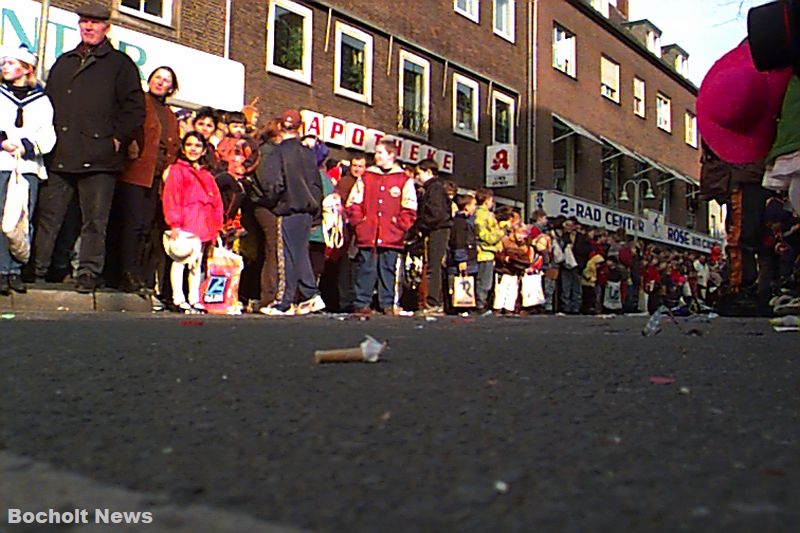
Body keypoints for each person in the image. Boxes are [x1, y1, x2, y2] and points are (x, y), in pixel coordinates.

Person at [33, 4, 145, 293]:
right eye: (84, 22)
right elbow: (47, 103)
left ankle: (88, 273)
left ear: (107, 27)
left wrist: (116, 139)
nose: (88, 27)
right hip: (61, 152)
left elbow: (134, 109)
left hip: (100, 156)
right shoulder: (64, 62)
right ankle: (39, 270)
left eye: (95, 23)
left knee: (95, 221)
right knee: (49, 216)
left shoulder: (120, 64)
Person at [114, 66, 180, 294]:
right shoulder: (140, 102)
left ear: (172, 87)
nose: (160, 83)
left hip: (157, 177)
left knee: (144, 227)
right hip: (136, 172)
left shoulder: (170, 114)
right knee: (131, 226)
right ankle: (126, 274)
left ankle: (138, 274)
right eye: (157, 78)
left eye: (166, 80)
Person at [256, 109, 324, 316]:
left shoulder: (277, 152)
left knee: (286, 255)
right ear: (299, 127)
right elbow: (316, 184)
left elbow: (273, 184)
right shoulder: (307, 153)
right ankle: (310, 295)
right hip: (306, 208)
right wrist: (316, 213)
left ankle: (285, 301)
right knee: (300, 253)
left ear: (280, 127)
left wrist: (270, 202)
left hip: (288, 207)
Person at [0, 45, 56, 295]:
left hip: (27, 168)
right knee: (2, 218)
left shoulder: (41, 101)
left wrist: (26, 146)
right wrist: (3, 141)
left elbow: (47, 133)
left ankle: (16, 269)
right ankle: (2, 270)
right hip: (2, 163)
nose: (4, 67)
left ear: (26, 69)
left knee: (22, 220)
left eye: (10, 63)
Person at [347, 139, 417, 315]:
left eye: (380, 153)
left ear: (391, 155)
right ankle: (362, 302)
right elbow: (354, 201)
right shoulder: (366, 177)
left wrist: (400, 225)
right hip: (368, 232)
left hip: (391, 235)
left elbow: (409, 206)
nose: (376, 156)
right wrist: (359, 221)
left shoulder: (403, 180)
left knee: (388, 269)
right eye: (376, 152)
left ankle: (387, 303)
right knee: (366, 269)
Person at [161, 132, 223, 313]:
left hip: (203, 223)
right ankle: (178, 298)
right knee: (180, 260)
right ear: (183, 148)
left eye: (197, 146)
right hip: (185, 223)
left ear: (204, 150)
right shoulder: (177, 171)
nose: (193, 149)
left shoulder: (206, 175)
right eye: (189, 145)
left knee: (197, 263)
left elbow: (216, 202)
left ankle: (194, 298)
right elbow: (172, 198)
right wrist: (174, 223)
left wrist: (216, 226)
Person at [415, 158, 452, 314]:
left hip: (437, 229)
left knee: (433, 266)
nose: (417, 177)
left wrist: (421, 224)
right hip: (438, 228)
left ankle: (433, 302)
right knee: (434, 266)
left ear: (428, 172)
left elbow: (436, 213)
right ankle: (435, 301)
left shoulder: (434, 188)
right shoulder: (435, 188)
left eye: (419, 173)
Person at [474, 188, 505, 312]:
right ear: (487, 200)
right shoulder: (483, 215)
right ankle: (480, 305)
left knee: (484, 280)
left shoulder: (482, 214)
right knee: (484, 281)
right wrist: (500, 233)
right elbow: (485, 235)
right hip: (485, 251)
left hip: (488, 251)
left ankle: (481, 303)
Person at [446, 194, 478, 313]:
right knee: (460, 283)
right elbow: (459, 241)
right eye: (473, 205)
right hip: (464, 259)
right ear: (466, 206)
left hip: (468, 257)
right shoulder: (460, 223)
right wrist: (461, 259)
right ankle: (460, 307)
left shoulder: (465, 221)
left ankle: (462, 307)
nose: (475, 208)